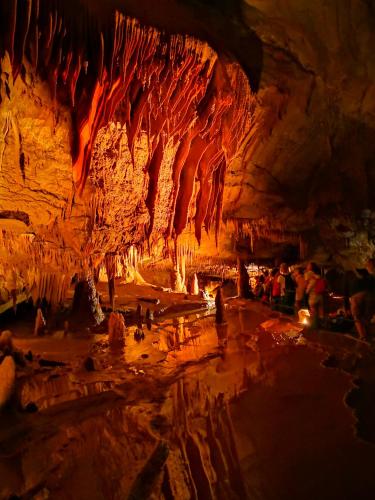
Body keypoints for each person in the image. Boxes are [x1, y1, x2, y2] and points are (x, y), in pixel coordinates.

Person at [349, 258, 375, 340]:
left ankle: (363, 336)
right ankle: (367, 335)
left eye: (368, 264)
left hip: (358, 296)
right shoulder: (368, 276)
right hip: (369, 296)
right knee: (366, 316)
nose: (366, 266)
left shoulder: (368, 277)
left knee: (357, 316)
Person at [305, 262, 326, 328]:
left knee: (313, 313)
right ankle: (322, 325)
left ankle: (314, 326)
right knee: (321, 313)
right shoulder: (320, 278)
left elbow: (307, 291)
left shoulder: (312, 281)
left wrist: (306, 290)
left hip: (313, 298)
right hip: (320, 297)